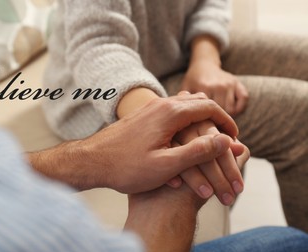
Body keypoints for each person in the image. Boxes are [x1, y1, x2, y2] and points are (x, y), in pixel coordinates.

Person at [0, 15, 308, 252]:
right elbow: (96, 43)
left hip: (175, 58)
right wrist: (164, 127)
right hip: (109, 92)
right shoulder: (29, 228)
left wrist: (206, 57)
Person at [42, 0, 308, 231]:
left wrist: (206, 60)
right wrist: (165, 118)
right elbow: (97, 43)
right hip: (101, 93)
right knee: (301, 117)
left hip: (175, 51)